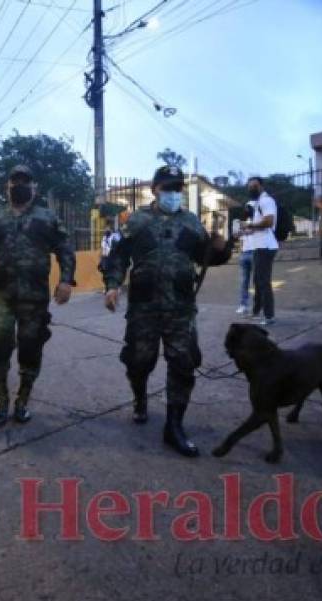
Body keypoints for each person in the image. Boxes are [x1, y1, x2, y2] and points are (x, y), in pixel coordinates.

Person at [102, 164, 232, 457]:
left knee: (184, 364)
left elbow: (206, 257)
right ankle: (140, 399)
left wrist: (221, 247)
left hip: (181, 308)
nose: (173, 193)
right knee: (138, 362)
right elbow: (118, 257)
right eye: (167, 188)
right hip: (143, 308)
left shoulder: (191, 222)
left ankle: (174, 426)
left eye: (177, 188)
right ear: (155, 190)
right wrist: (112, 285)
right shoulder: (137, 221)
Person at [0, 164, 76, 427]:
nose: (20, 185)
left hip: (34, 299)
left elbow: (65, 250)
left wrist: (66, 280)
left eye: (25, 181)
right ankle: (1, 400)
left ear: (34, 187)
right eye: (15, 182)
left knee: (30, 349)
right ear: (7, 187)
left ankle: (22, 400)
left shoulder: (47, 218)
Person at [243, 176, 279, 325]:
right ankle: (257, 312)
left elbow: (269, 221)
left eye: (255, 186)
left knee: (263, 282)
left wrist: (250, 226)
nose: (252, 188)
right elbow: (259, 226)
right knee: (257, 281)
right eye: (250, 186)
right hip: (260, 246)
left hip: (266, 247)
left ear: (261, 186)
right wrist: (246, 230)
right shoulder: (259, 202)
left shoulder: (266, 201)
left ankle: (269, 316)